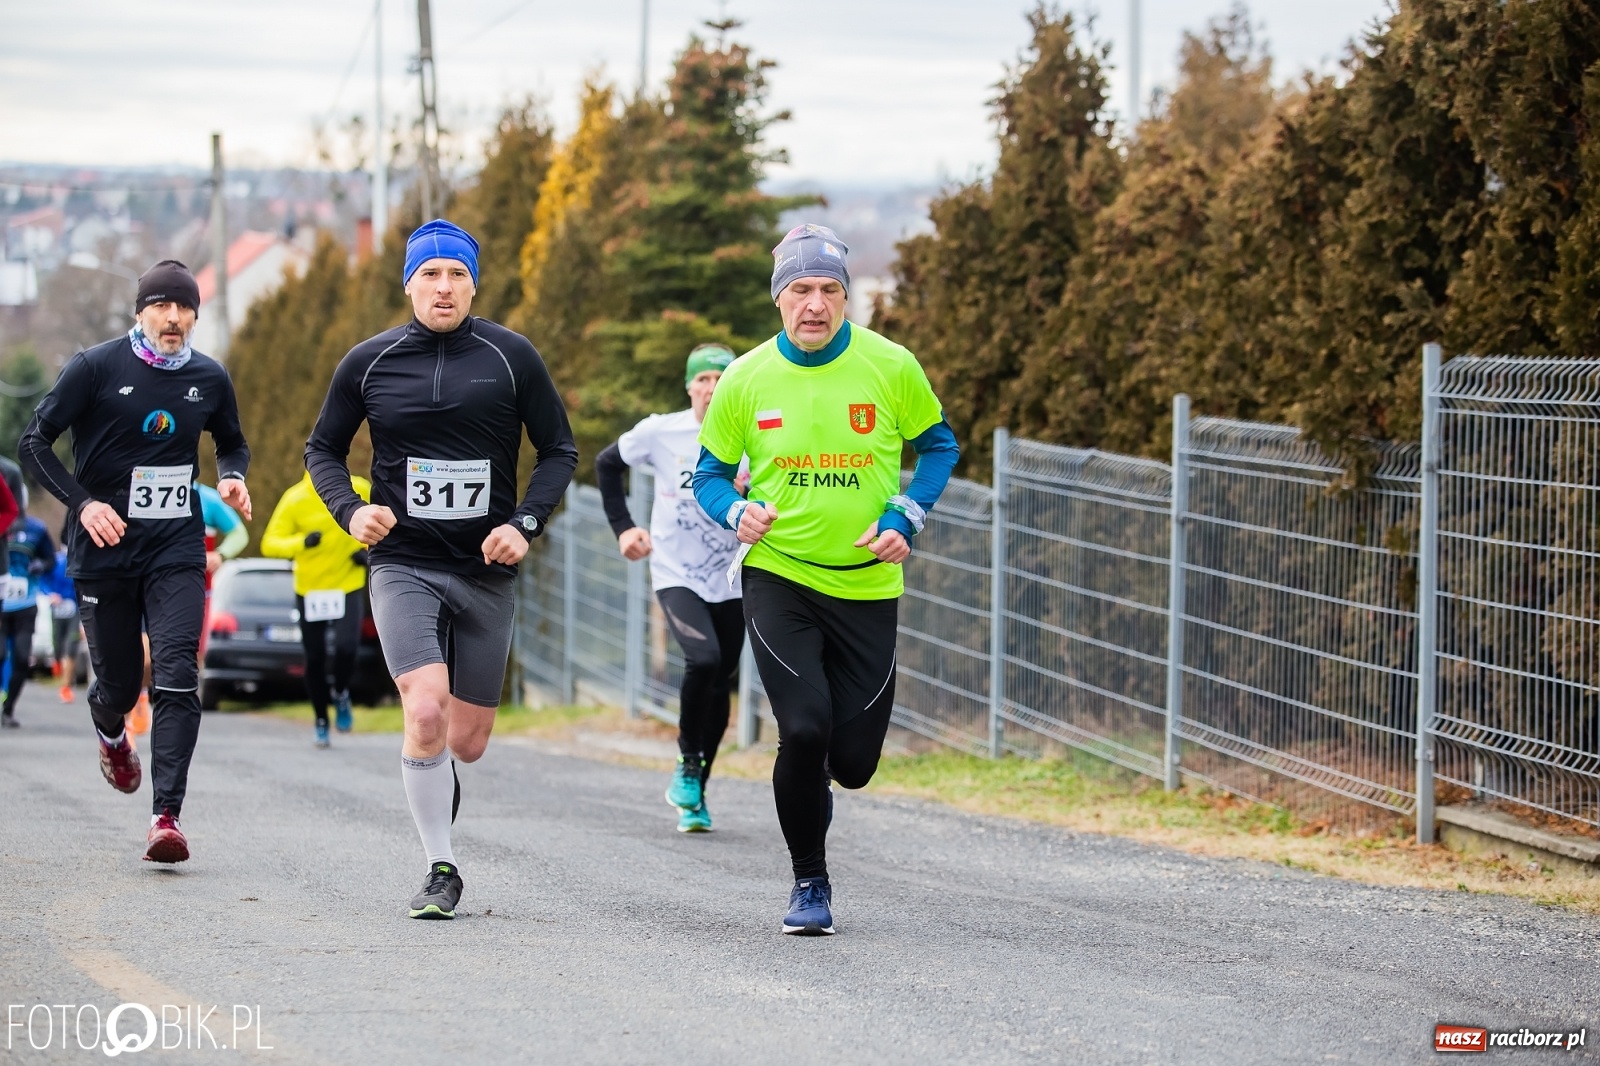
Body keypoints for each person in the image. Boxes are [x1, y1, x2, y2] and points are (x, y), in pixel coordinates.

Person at [306, 219, 577, 919]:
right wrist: (350, 512)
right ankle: (440, 867)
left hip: (485, 570)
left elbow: (559, 453)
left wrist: (525, 525)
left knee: (467, 741)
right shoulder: (368, 362)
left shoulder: (512, 357)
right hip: (403, 563)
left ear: (473, 282)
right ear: (409, 284)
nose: (444, 287)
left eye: (457, 274)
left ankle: (437, 776)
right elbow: (322, 452)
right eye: (430, 274)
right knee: (424, 709)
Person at [693, 224, 959, 935]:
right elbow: (710, 477)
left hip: (868, 582)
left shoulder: (890, 365)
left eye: (830, 290)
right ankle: (810, 881)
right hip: (781, 575)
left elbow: (938, 446)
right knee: (803, 729)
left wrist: (907, 512)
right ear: (779, 297)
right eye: (801, 289)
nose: (816, 304)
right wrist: (736, 510)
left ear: (847, 298)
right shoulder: (746, 379)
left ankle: (815, 792)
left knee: (855, 763)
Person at [19, 259, 251, 864]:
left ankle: (165, 816)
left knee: (176, 673)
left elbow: (231, 440)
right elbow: (33, 442)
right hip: (105, 550)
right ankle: (110, 731)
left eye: (183, 309)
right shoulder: (96, 367)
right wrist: (83, 503)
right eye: (161, 307)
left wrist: (232, 478)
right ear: (141, 312)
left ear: (196, 314)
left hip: (176, 547)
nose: (172, 319)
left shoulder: (209, 376)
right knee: (120, 683)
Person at [595, 344, 744, 833]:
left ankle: (696, 788)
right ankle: (686, 761)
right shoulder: (663, 431)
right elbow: (606, 464)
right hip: (676, 572)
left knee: (722, 678)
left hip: (736, 576)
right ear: (690, 386)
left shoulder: (754, 435)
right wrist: (625, 528)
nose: (712, 388)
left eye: (722, 378)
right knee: (702, 659)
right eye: (703, 379)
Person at [261, 471, 373, 747]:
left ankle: (342, 691)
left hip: (347, 583)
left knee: (348, 647)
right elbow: (269, 543)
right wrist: (301, 543)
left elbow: (384, 525)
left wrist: (369, 552)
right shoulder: (295, 498)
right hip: (311, 590)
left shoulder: (359, 487)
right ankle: (321, 719)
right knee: (315, 656)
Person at [0, 513, 56, 726]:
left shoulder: (36, 528)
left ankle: (8, 709)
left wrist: (40, 565)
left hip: (26, 603)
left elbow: (50, 559)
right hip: (1, 603)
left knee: (23, 659)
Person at [45, 546, 80, 703]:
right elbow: (43, 579)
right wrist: (49, 594)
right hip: (57, 611)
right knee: (58, 645)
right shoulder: (55, 561)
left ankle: (65, 687)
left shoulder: (81, 560)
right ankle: (57, 662)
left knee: (71, 648)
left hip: (75, 611)